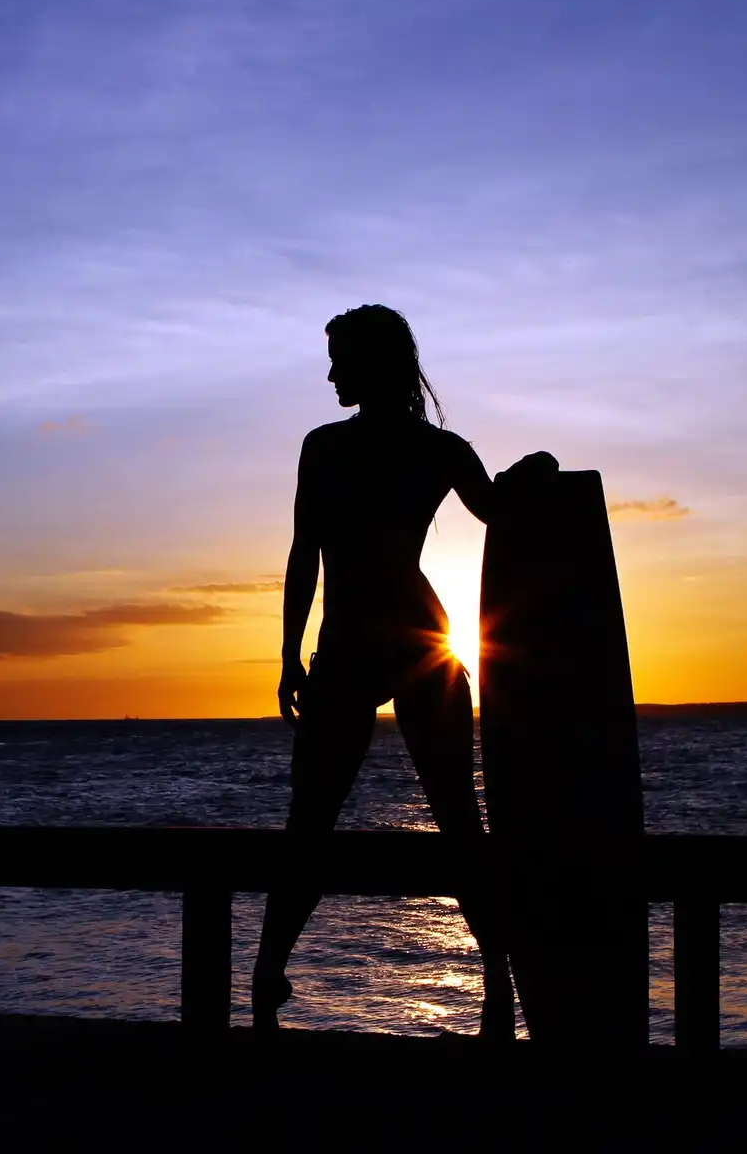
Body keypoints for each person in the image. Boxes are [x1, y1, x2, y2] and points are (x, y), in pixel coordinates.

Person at [253, 303, 555, 1037]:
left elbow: (495, 512)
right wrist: (291, 652)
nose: (329, 374)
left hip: (393, 642)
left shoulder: (354, 449)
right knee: (375, 819)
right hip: (402, 641)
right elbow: (304, 555)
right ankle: (272, 972)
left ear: (373, 362)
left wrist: (531, 475)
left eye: (339, 359)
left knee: (399, 818)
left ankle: (491, 982)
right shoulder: (404, 449)